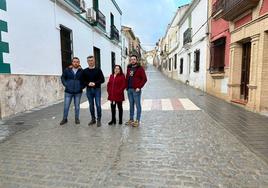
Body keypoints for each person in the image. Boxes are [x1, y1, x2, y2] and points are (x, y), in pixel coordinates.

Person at [60, 57, 84, 125]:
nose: (75, 63)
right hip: (68, 91)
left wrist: (81, 87)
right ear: (72, 62)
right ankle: (64, 119)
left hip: (78, 92)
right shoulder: (67, 70)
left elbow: (84, 80)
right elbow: (63, 77)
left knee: (77, 106)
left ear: (79, 63)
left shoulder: (82, 71)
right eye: (74, 61)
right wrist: (66, 84)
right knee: (66, 106)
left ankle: (77, 118)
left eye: (77, 62)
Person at [125, 54, 147, 127]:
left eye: (134, 59)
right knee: (131, 105)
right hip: (129, 90)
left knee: (138, 105)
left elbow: (144, 79)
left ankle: (137, 120)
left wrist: (139, 87)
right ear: (130, 60)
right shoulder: (129, 68)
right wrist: (126, 87)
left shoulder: (140, 68)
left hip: (136, 90)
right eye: (131, 59)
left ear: (136, 60)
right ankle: (131, 119)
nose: (133, 60)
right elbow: (127, 77)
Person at [83, 56, 105, 127]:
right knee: (91, 105)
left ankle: (99, 119)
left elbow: (102, 80)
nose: (90, 62)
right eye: (89, 60)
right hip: (89, 90)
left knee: (98, 105)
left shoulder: (98, 70)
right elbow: (83, 81)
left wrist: (95, 83)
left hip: (97, 89)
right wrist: (88, 83)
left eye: (92, 60)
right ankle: (93, 119)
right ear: (87, 62)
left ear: (94, 61)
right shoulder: (85, 71)